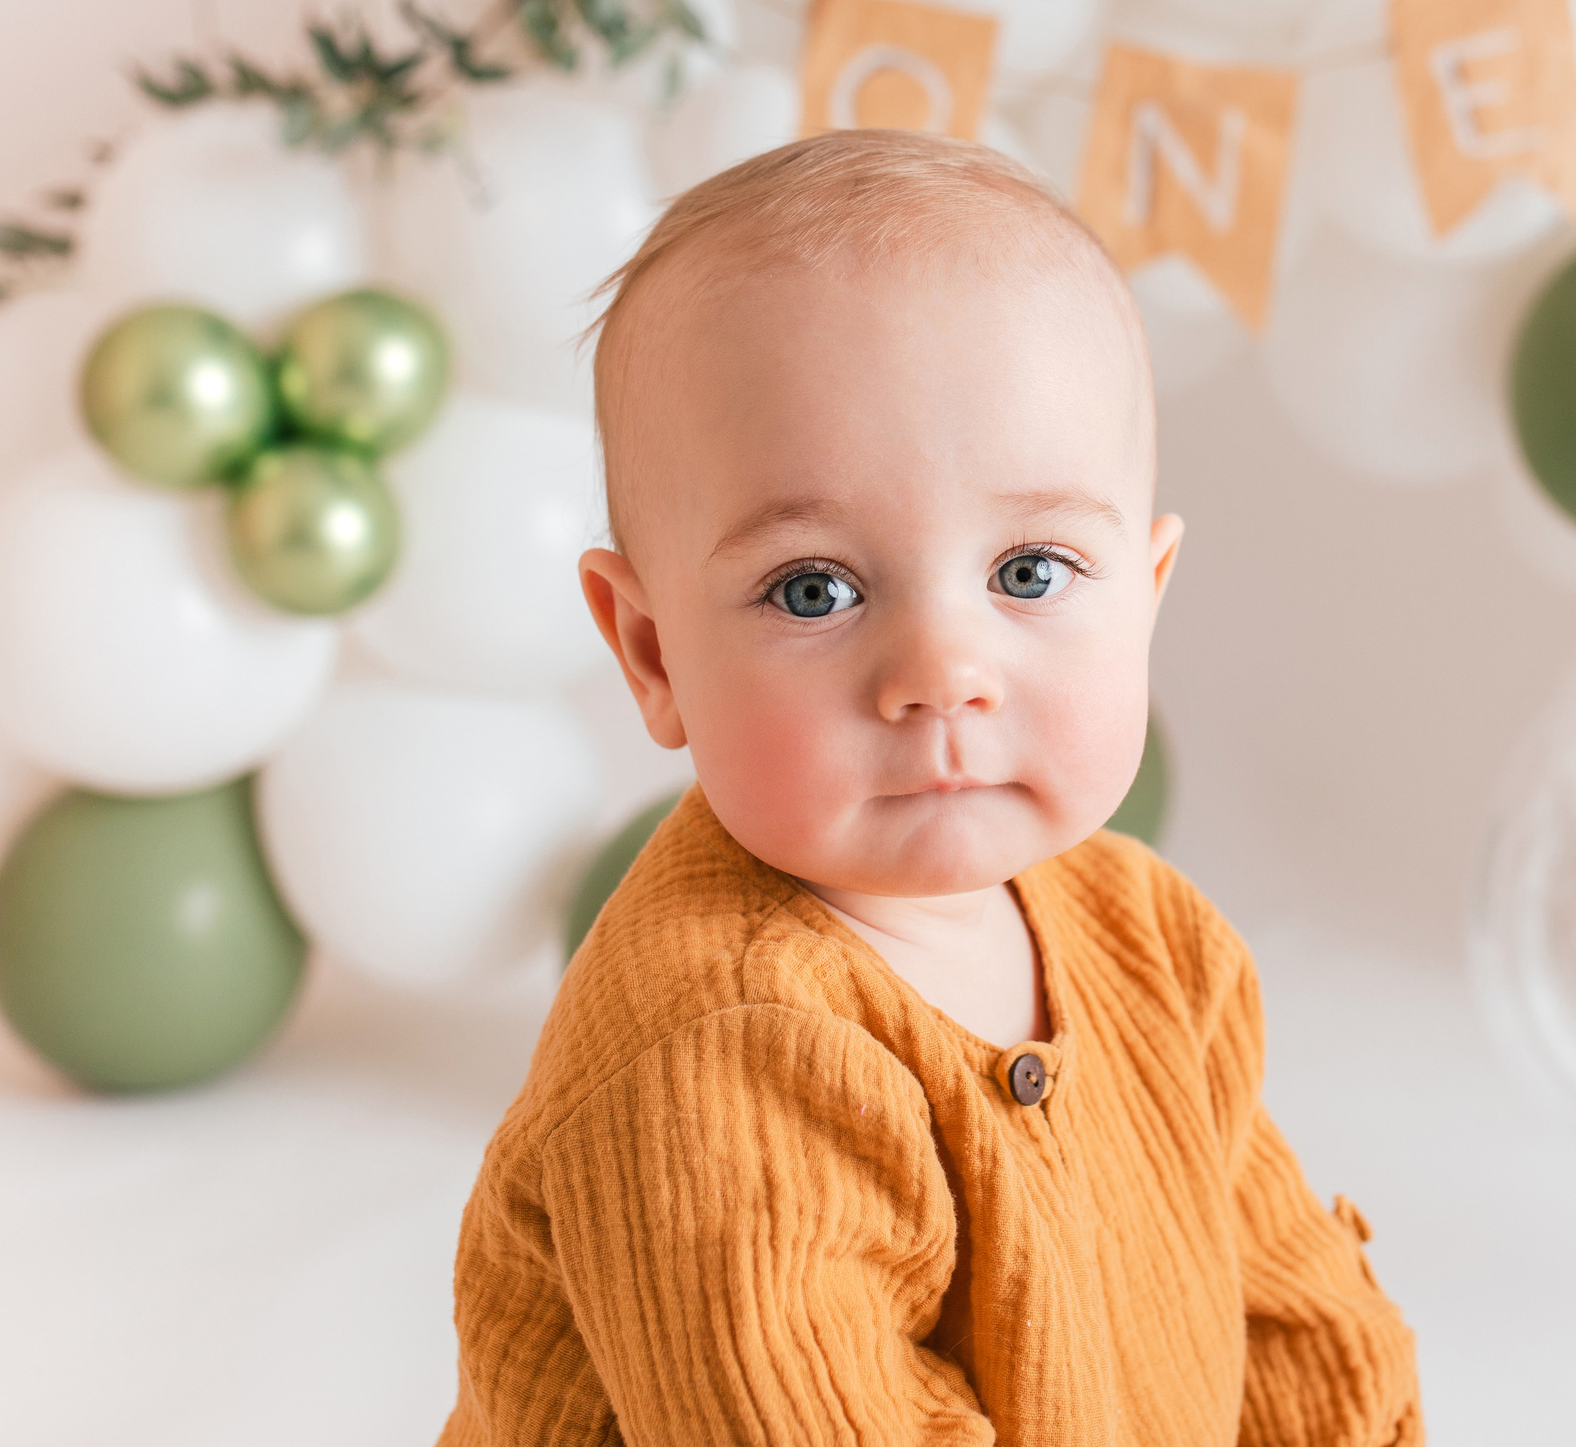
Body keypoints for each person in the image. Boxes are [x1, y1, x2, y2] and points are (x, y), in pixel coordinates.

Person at [438, 129, 1421, 1445]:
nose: (942, 674)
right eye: (815, 590)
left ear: (1146, 596)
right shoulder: (723, 1052)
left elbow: (1292, 1306)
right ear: (653, 651)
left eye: (1029, 572)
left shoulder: (1156, 943)